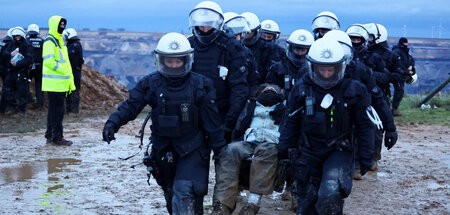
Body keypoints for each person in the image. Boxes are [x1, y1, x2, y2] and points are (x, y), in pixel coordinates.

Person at [102, 32, 226, 215]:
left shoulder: (200, 85)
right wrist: (113, 122)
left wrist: (220, 151)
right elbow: (132, 105)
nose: (174, 65)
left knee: (186, 190)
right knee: (170, 192)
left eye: (178, 61)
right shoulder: (151, 83)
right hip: (164, 147)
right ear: (161, 60)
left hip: (193, 147)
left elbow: (212, 121)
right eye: (169, 61)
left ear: (187, 60)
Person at [277, 38, 375, 214]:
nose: (327, 74)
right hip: (307, 151)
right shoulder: (301, 89)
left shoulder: (354, 90)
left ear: (341, 67)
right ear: (312, 67)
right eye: (323, 69)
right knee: (307, 203)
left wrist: (366, 155)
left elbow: (365, 126)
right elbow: (290, 122)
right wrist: (283, 151)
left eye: (331, 69)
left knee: (331, 193)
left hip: (339, 150)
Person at [325, 30, 398, 179]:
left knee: (362, 126)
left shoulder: (361, 71)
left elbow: (377, 99)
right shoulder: (310, 71)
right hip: (324, 119)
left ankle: (357, 163)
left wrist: (390, 128)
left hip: (351, 115)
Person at [213, 84, 285, 215]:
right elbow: (239, 125)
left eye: (273, 90)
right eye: (266, 89)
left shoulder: (283, 108)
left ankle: (252, 203)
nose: (269, 90)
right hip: (249, 140)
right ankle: (222, 205)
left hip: (271, 142)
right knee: (229, 150)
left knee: (266, 151)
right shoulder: (251, 105)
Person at [188, 1, 249, 143]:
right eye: (201, 25)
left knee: (224, 159)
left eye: (208, 25)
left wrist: (229, 123)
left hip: (222, 111)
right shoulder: (189, 45)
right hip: (193, 112)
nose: (204, 29)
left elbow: (239, 88)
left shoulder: (232, 47)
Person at [42, 15, 75, 146]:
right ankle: (57, 137)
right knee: (58, 111)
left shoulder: (59, 41)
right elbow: (49, 61)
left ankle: (50, 134)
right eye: (60, 25)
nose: (62, 27)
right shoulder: (50, 41)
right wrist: (63, 70)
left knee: (53, 110)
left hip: (59, 84)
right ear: (54, 25)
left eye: (63, 25)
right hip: (55, 83)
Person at [266, 29, 314, 97]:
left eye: (303, 50)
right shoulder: (277, 68)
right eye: (297, 50)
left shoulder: (313, 71)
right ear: (291, 48)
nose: (300, 53)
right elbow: (269, 88)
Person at [0, 26, 32, 116]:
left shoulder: (27, 45)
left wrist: (18, 64)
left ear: (22, 35)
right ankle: (14, 107)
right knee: (6, 90)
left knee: (22, 92)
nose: (17, 38)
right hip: (11, 72)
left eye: (18, 36)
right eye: (15, 36)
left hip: (21, 72)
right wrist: (11, 53)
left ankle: (22, 111)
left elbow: (29, 59)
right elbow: (4, 54)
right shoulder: (11, 44)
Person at [241, 12, 277, 84]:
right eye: (243, 32)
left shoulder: (265, 48)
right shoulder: (233, 46)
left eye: (249, 32)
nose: (246, 35)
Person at [392, 37, 415, 116]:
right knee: (399, 91)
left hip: (402, 75)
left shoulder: (405, 52)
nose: (406, 44)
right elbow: (397, 65)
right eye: (405, 43)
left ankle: (394, 108)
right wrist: (406, 71)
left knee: (400, 92)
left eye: (406, 43)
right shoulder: (396, 52)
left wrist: (411, 66)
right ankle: (394, 109)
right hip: (397, 75)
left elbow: (411, 60)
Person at [63, 28, 84, 114]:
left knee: (73, 91)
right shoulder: (76, 45)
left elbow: (72, 61)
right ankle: (72, 110)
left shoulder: (72, 47)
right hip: (76, 71)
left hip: (73, 72)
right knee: (73, 91)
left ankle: (72, 110)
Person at [26, 24, 44, 109]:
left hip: (29, 67)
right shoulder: (42, 41)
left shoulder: (26, 41)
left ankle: (28, 102)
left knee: (25, 84)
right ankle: (40, 105)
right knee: (39, 86)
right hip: (40, 67)